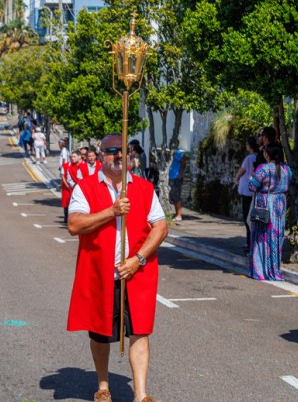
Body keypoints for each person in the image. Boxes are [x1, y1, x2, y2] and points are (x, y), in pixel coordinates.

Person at [67, 133, 168, 402]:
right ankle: (103, 385)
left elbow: (160, 227)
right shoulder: (85, 187)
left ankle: (141, 393)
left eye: (124, 152)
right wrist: (111, 212)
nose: (119, 157)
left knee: (139, 331)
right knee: (100, 333)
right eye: (112, 152)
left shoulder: (144, 188)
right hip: (101, 274)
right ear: (101, 155)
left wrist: (139, 259)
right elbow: (75, 225)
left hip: (136, 273)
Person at [247, 144, 292, 280]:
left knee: (261, 237)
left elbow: (252, 187)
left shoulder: (263, 169)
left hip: (265, 205)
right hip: (280, 205)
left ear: (267, 155)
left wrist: (250, 178)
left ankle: (260, 270)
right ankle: (274, 269)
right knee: (276, 237)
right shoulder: (287, 170)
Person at [235, 137, 259, 249]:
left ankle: (249, 241)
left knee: (247, 217)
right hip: (253, 190)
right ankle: (251, 241)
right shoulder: (258, 157)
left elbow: (242, 170)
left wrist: (237, 177)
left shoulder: (249, 158)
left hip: (246, 189)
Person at [168, 148, 186, 221]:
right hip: (172, 177)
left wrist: (180, 175)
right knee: (174, 197)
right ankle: (177, 214)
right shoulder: (171, 153)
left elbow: (183, 162)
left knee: (177, 196)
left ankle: (179, 215)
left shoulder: (177, 153)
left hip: (176, 177)